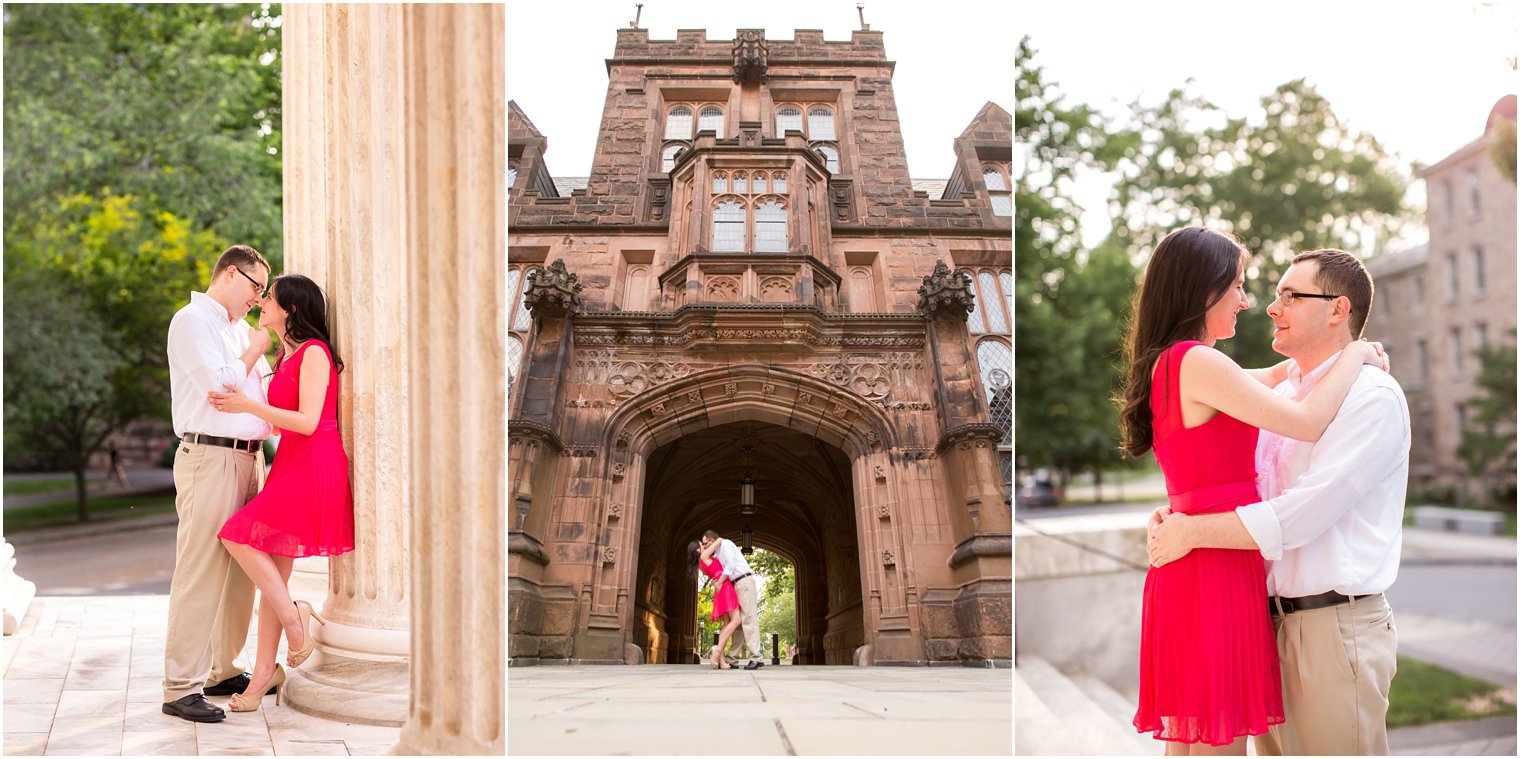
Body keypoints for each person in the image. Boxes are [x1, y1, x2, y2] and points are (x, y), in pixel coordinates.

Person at [1116, 227, 1386, 755]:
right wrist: (1354, 354)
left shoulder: (1174, 363)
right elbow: (1305, 420)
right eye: (1238, 285)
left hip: (1198, 558)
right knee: (1218, 743)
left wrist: (1316, 358)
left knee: (1194, 740)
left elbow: (1275, 376)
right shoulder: (1198, 361)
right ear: (1203, 289)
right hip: (1216, 564)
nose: (1247, 301)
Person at [209, 273, 356, 712]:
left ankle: (296, 618)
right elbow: (280, 421)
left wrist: (248, 406)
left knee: (235, 535)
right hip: (290, 461)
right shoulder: (286, 355)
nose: (260, 302)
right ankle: (261, 681)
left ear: (291, 308)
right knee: (274, 579)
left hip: (313, 463)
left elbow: (310, 421)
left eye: (268, 297)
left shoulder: (315, 352)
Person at [162, 244, 274, 723]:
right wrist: (253, 350)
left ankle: (223, 669)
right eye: (256, 287)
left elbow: (261, 392)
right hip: (209, 456)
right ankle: (178, 687)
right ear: (230, 274)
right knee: (201, 569)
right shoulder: (192, 321)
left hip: (250, 460)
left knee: (242, 572)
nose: (258, 298)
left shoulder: (237, 330)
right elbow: (222, 387)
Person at [699, 530, 765, 669]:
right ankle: (732, 658)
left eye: (705, 543)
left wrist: (719, 582)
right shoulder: (716, 554)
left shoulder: (726, 544)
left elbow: (730, 565)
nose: (705, 547)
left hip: (744, 581)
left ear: (712, 540)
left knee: (748, 618)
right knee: (738, 624)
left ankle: (756, 657)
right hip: (734, 585)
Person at [689, 539, 741, 670]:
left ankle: (720, 658)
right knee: (736, 620)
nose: (705, 545)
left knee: (727, 622)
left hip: (720, 585)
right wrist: (718, 539)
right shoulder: (703, 556)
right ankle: (717, 650)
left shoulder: (701, 563)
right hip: (724, 586)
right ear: (698, 550)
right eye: (702, 544)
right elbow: (717, 542)